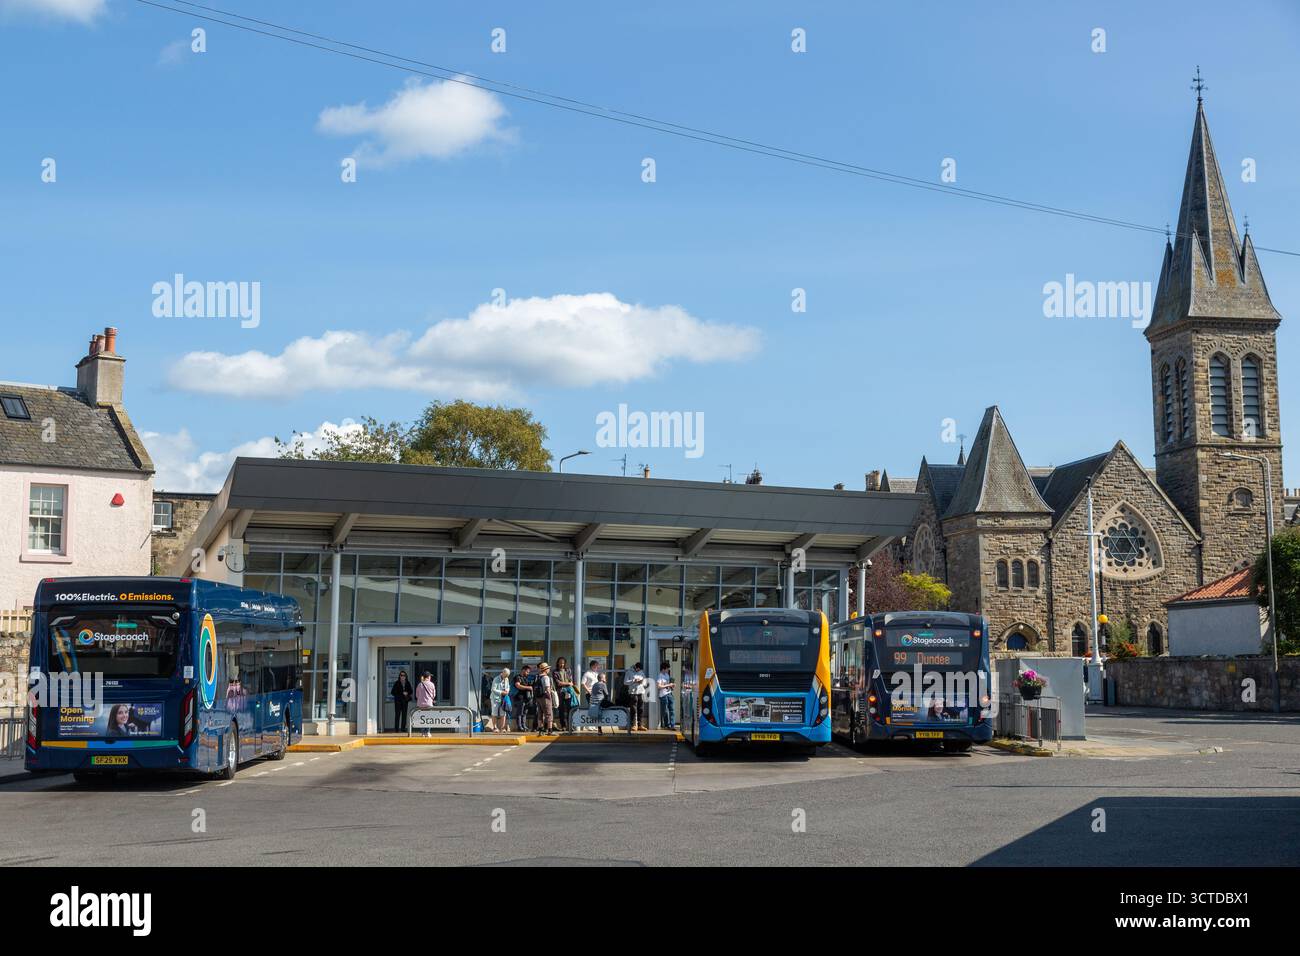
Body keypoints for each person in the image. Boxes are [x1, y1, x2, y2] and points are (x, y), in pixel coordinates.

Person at [624, 662, 650, 731]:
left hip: (641, 692)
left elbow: (645, 682)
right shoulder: (629, 672)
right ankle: (633, 724)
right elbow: (625, 682)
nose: (639, 670)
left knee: (641, 709)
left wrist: (642, 682)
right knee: (633, 709)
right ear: (635, 667)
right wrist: (633, 680)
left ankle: (640, 725)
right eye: (638, 669)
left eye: (640, 669)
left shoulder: (641, 672)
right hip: (633, 692)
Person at [553, 657, 576, 732]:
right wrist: (568, 683)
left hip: (568, 692)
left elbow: (571, 681)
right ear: (557, 663)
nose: (562, 664)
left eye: (563, 663)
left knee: (570, 709)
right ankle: (563, 725)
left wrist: (569, 683)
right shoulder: (555, 672)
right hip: (560, 692)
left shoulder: (568, 670)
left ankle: (570, 725)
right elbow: (558, 683)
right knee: (561, 709)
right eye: (560, 662)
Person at [580, 660, 602, 733]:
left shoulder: (596, 673)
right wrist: (588, 691)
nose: (597, 667)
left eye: (597, 666)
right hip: (590, 693)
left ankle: (593, 725)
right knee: (591, 708)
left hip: (596, 694)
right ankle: (588, 725)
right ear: (592, 666)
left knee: (595, 709)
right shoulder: (587, 673)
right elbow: (583, 683)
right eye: (596, 665)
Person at [534, 662, 556, 735]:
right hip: (545, 697)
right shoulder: (546, 677)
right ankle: (550, 730)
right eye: (548, 668)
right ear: (545, 669)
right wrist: (550, 697)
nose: (549, 669)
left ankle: (540, 730)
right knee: (549, 713)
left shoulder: (538, 677)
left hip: (538, 697)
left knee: (540, 714)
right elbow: (547, 688)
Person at [513, 664, 536, 732]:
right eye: (527, 672)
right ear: (523, 670)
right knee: (520, 713)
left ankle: (524, 726)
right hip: (520, 698)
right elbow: (518, 685)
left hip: (526, 698)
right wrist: (528, 687)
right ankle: (520, 727)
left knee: (524, 713)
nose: (528, 673)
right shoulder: (518, 677)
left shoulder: (525, 678)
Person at [489, 667, 512, 733]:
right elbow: (493, 689)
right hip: (495, 698)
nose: (506, 677)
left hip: (503, 698)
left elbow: (508, 687)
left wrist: (507, 691)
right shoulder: (496, 679)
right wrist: (501, 692)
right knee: (494, 713)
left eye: (507, 676)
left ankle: (502, 728)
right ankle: (494, 727)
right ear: (502, 673)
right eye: (505, 675)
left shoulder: (506, 679)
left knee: (503, 713)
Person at [415, 671, 437, 737]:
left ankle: (422, 733)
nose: (430, 677)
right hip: (429, 704)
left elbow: (417, 695)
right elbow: (433, 695)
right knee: (428, 718)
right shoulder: (432, 684)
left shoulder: (419, 684)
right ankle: (428, 732)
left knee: (421, 718)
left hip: (420, 705)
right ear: (428, 677)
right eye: (430, 676)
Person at [588, 671, 609, 735]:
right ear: (602, 679)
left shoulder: (595, 684)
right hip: (599, 702)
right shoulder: (603, 684)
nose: (605, 679)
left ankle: (599, 729)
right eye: (605, 678)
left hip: (592, 702)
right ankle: (600, 728)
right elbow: (607, 694)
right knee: (612, 705)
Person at [657, 662, 676, 730]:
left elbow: (667, 684)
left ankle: (672, 725)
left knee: (672, 709)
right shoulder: (660, 676)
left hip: (669, 693)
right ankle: (666, 724)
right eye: (667, 669)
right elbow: (659, 686)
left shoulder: (667, 675)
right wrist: (668, 685)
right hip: (663, 695)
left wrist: (672, 686)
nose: (668, 670)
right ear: (663, 669)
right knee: (665, 711)